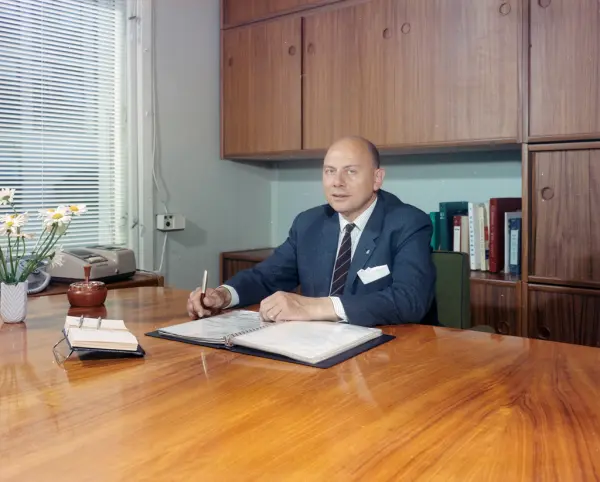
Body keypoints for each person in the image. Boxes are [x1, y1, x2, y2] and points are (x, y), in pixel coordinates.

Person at [187, 136, 438, 327]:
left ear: (377, 178)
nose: (337, 182)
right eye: (329, 171)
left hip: (390, 351)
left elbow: (410, 300)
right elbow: (266, 277)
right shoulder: (309, 223)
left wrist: (311, 308)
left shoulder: (408, 222)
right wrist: (222, 296)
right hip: (317, 347)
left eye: (350, 171)